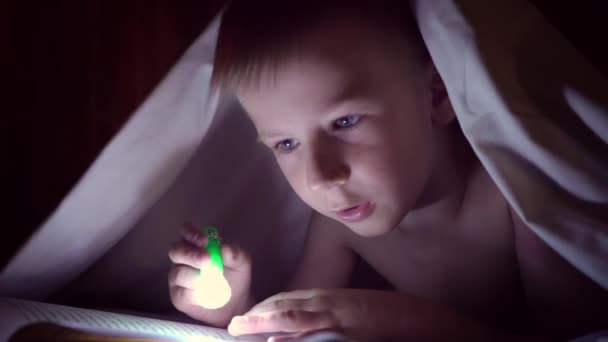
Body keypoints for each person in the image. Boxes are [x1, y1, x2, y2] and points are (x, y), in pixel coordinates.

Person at [167, 1, 608, 340]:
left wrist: (400, 320)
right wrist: (236, 306)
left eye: (344, 122)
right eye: (286, 143)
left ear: (435, 94)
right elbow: (295, 319)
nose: (321, 176)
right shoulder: (336, 226)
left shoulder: (513, 196)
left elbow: (578, 337)